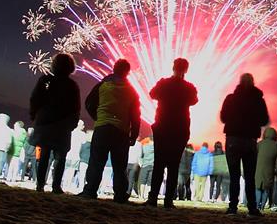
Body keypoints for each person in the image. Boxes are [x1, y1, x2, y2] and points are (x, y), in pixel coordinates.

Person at [81, 59, 142, 201]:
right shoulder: (131, 91)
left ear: (114, 68)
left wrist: (98, 117)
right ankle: (120, 194)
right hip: (121, 131)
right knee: (120, 165)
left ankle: (90, 190)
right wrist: (134, 135)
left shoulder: (102, 85)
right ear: (127, 72)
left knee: (96, 161)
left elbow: (89, 103)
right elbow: (135, 115)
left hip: (102, 127)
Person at [147, 58, 198, 207]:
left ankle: (153, 198)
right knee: (174, 165)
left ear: (173, 67)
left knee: (159, 163)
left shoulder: (164, 83)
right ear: (186, 70)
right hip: (180, 128)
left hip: (162, 126)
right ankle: (168, 200)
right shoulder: (189, 87)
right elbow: (194, 101)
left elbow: (152, 94)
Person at [29, 53, 82, 193]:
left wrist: (33, 115)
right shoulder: (72, 85)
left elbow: (34, 99)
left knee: (44, 155)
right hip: (63, 125)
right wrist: (72, 123)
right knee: (61, 156)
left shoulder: (45, 80)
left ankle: (40, 184)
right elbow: (76, 107)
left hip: (45, 122)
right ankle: (56, 186)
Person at [220, 72, 272, 215]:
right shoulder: (258, 100)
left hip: (233, 139)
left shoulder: (231, 99)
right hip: (250, 140)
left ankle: (232, 207)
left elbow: (223, 117)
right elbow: (264, 120)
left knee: (234, 176)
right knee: (250, 176)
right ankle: (252, 207)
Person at [255, 126, 277, 211]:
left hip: (258, 170)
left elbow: (254, 157)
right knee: (266, 190)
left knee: (258, 188)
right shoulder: (276, 146)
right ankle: (262, 208)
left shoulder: (259, 144)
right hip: (270, 171)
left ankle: (257, 206)